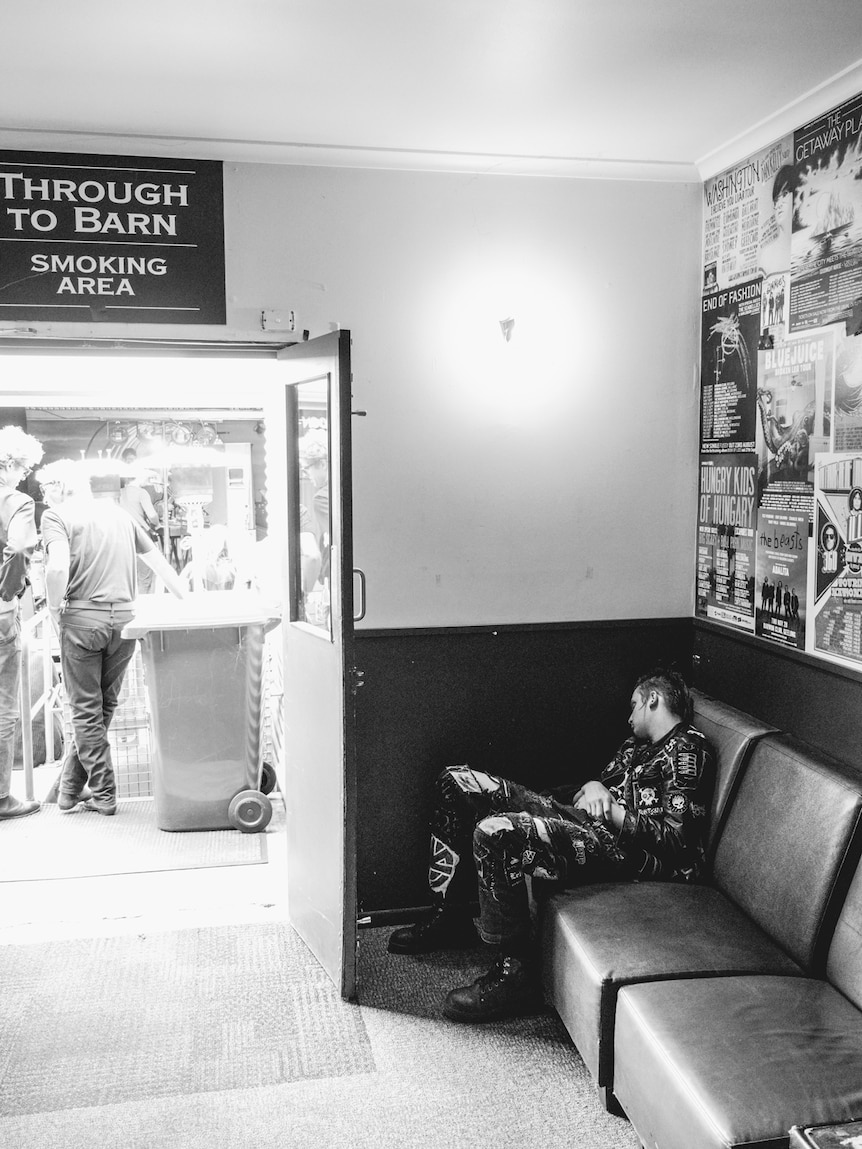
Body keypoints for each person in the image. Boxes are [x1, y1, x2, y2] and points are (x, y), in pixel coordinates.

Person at [388, 668, 714, 1023]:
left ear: (654, 699)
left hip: (627, 854)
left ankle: (516, 977)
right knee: (457, 780)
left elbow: (678, 842)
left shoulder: (688, 749)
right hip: (580, 820)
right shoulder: (634, 747)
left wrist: (614, 811)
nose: (629, 715)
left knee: (495, 831)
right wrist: (593, 786)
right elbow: (591, 795)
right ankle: (447, 914)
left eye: (634, 705)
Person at [37, 459, 185, 816]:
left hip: (82, 620)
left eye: (45, 490)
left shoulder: (56, 517)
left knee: (84, 710)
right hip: (125, 623)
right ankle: (70, 790)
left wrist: (56, 607)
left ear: (57, 487)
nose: (45, 497)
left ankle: (104, 793)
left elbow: (57, 566)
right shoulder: (120, 515)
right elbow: (160, 565)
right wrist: (188, 603)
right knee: (102, 706)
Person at [0, 426, 44, 821]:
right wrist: (9, 592)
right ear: (12, 464)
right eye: (24, 467)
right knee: (3, 707)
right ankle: (1, 799)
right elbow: (18, 548)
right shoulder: (17, 501)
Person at [118, 455, 160, 594]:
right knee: (144, 575)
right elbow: (152, 515)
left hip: (122, 537)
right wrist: (157, 523)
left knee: (128, 577)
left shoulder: (118, 493)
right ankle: (144, 607)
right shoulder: (141, 493)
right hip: (140, 536)